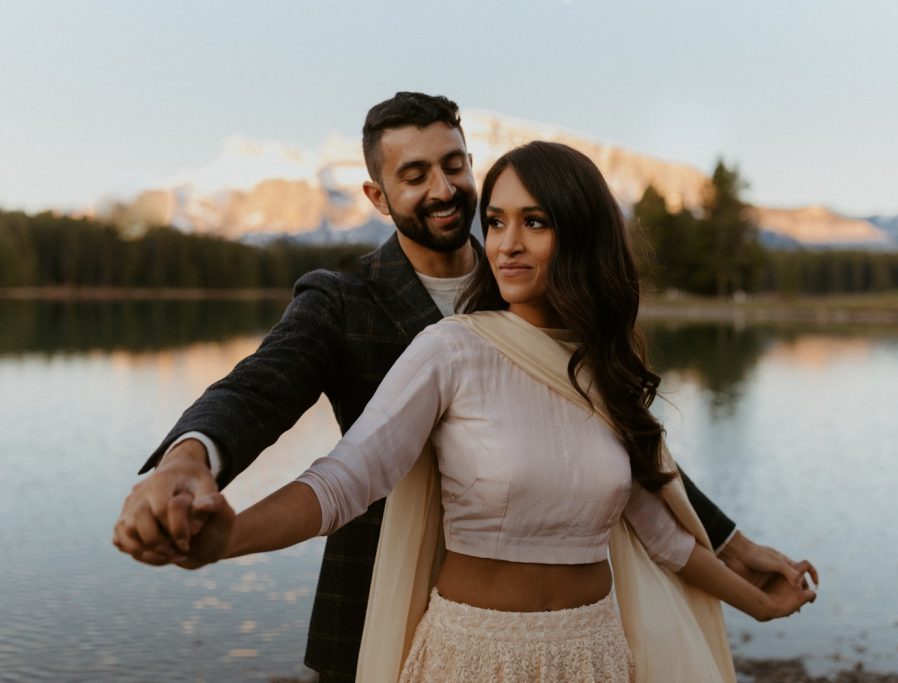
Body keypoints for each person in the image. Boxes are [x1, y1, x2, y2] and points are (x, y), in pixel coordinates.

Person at [112, 93, 817, 681]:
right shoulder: (345, 301)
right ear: (377, 195)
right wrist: (188, 462)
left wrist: (730, 542)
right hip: (386, 612)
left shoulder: (538, 298)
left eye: (454, 165)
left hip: (584, 637)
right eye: (414, 174)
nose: (443, 189)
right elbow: (261, 394)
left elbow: (620, 458)